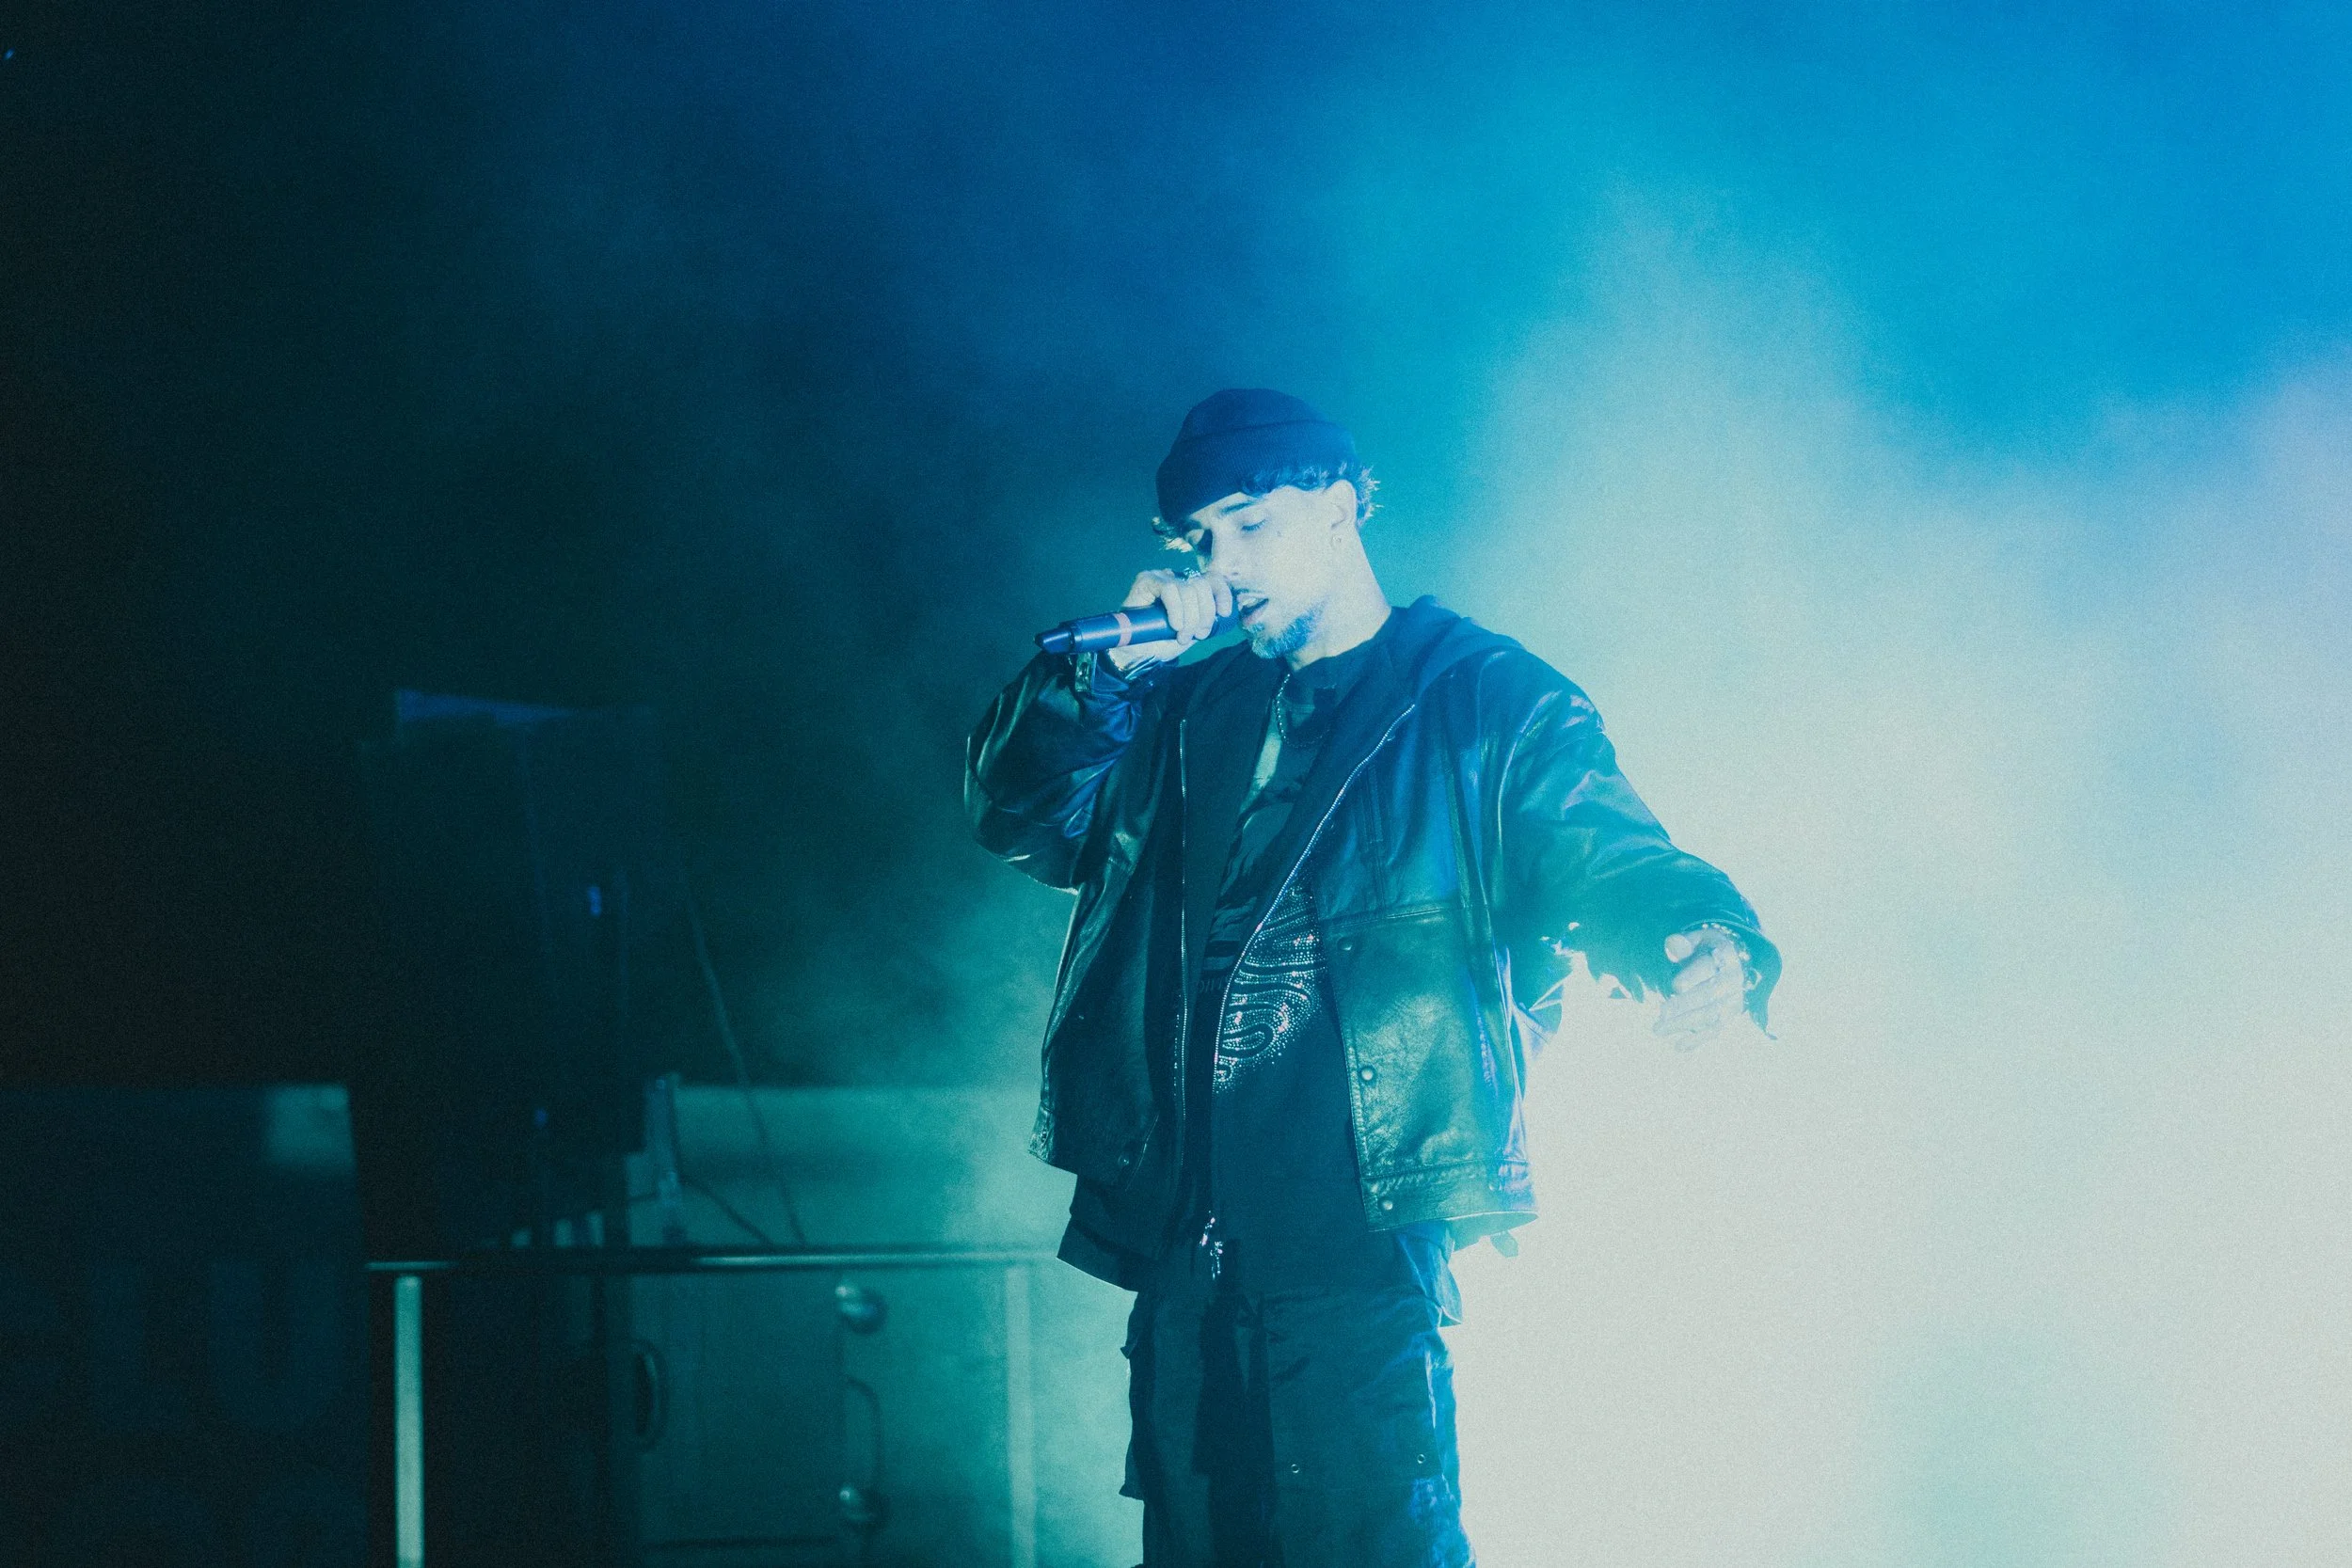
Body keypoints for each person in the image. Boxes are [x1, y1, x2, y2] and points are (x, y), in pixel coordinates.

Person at [965, 388, 1780, 1566]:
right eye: (1197, 539)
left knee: (1365, 1532)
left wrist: (1699, 934)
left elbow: (1607, 852)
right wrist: (1109, 676)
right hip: (1188, 1231)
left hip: (1356, 1222)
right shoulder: (1179, 706)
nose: (1220, 561)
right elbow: (1017, 815)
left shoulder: (1479, 695)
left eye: (1248, 523)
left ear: (1342, 505)